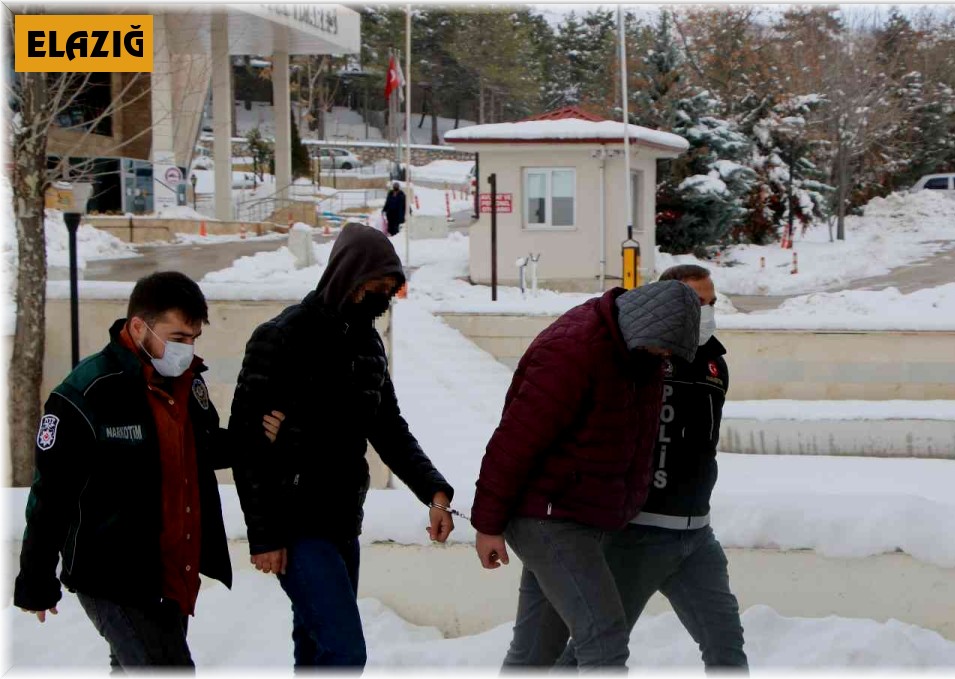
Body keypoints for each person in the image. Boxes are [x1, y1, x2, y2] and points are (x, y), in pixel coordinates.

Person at [13, 271, 284, 669]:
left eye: (193, 339)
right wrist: (36, 578)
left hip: (172, 573)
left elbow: (202, 449)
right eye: (178, 339)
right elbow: (51, 494)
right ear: (139, 326)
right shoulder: (85, 394)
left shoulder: (188, 384)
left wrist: (256, 439)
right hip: (112, 579)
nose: (187, 350)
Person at [230, 222, 456, 670]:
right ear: (350, 277)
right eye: (379, 286)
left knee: (316, 645)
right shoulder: (281, 337)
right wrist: (265, 535)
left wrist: (433, 490)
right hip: (294, 522)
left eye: (392, 289)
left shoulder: (369, 344)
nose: (385, 297)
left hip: (342, 520)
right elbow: (246, 445)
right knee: (345, 650)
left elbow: (389, 428)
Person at [471, 279, 702, 671]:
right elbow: (515, 440)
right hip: (547, 515)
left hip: (581, 515)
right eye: (662, 346)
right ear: (644, 327)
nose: (664, 356)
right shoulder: (573, 350)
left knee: (536, 652)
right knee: (604, 636)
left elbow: (637, 441)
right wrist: (487, 524)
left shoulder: (641, 358)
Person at [558, 264, 748, 671]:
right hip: (639, 535)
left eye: (711, 302)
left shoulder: (716, 364)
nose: (707, 312)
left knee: (727, 647)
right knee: (594, 650)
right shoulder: (642, 357)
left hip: (697, 536)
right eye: (697, 302)